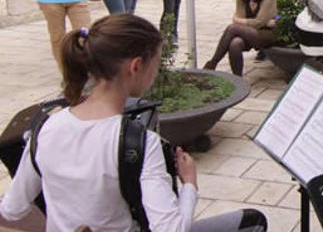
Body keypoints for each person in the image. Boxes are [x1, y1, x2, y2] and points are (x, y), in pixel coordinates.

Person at [0, 14, 267, 231]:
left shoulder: (45, 128)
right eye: (156, 63)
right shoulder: (140, 143)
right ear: (136, 66)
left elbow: (12, 210)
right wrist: (189, 184)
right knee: (251, 222)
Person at [203, 0, 277, 76]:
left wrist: (243, 21)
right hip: (249, 33)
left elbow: (258, 22)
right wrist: (246, 22)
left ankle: (212, 63)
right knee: (235, 44)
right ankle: (238, 79)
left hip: (267, 34)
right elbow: (245, 21)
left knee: (232, 28)